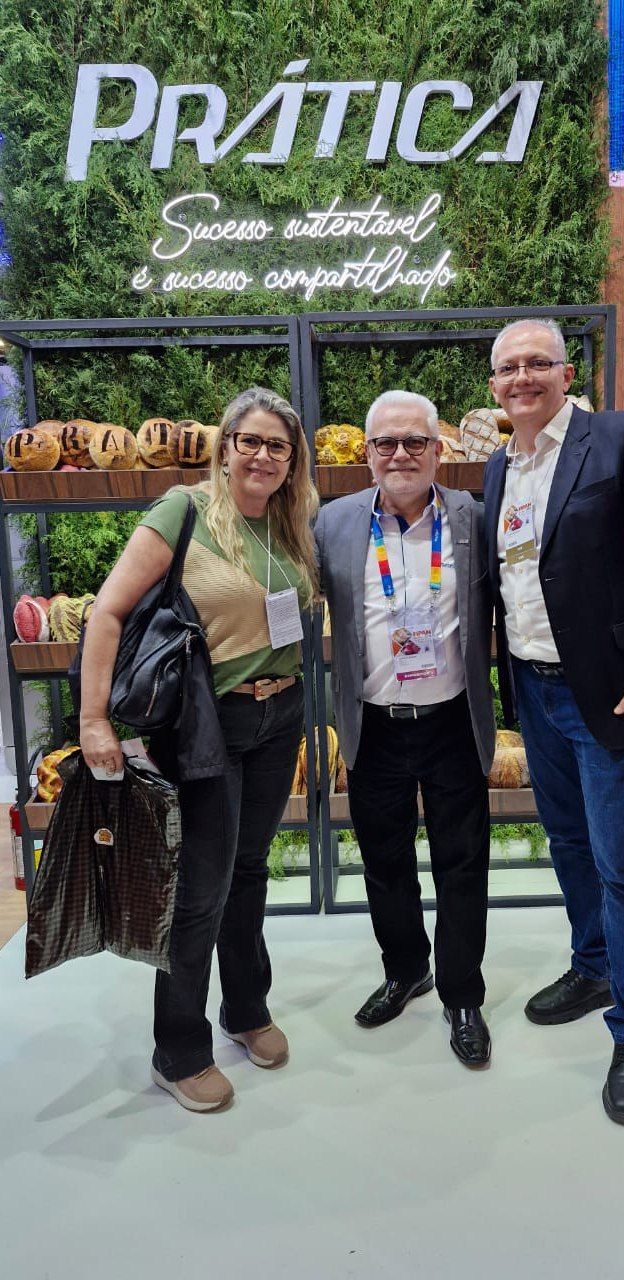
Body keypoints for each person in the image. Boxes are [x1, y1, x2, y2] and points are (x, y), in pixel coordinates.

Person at [483, 319, 624, 1124]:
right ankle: (596, 963)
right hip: (536, 694)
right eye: (508, 368)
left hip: (613, 694)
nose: (522, 377)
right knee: (571, 845)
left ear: (566, 371)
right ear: (495, 387)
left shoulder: (622, 438)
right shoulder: (500, 465)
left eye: (537, 362)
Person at [80, 387, 318, 1112]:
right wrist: (95, 721)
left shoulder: (288, 521)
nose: (263, 456)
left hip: (282, 717)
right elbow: (108, 611)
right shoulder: (183, 511)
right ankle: (178, 1048)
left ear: (291, 459)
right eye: (250, 440)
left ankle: (245, 1010)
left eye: (278, 446)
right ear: (225, 444)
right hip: (208, 724)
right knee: (202, 885)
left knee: (249, 870)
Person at [315, 390, 496, 1067]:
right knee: (385, 864)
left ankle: (462, 993)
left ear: (437, 450)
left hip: (453, 721)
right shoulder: (332, 523)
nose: (400, 454)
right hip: (375, 725)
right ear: (366, 454)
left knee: (462, 864)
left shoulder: (473, 518)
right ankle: (405, 969)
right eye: (385, 443)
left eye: (414, 441)